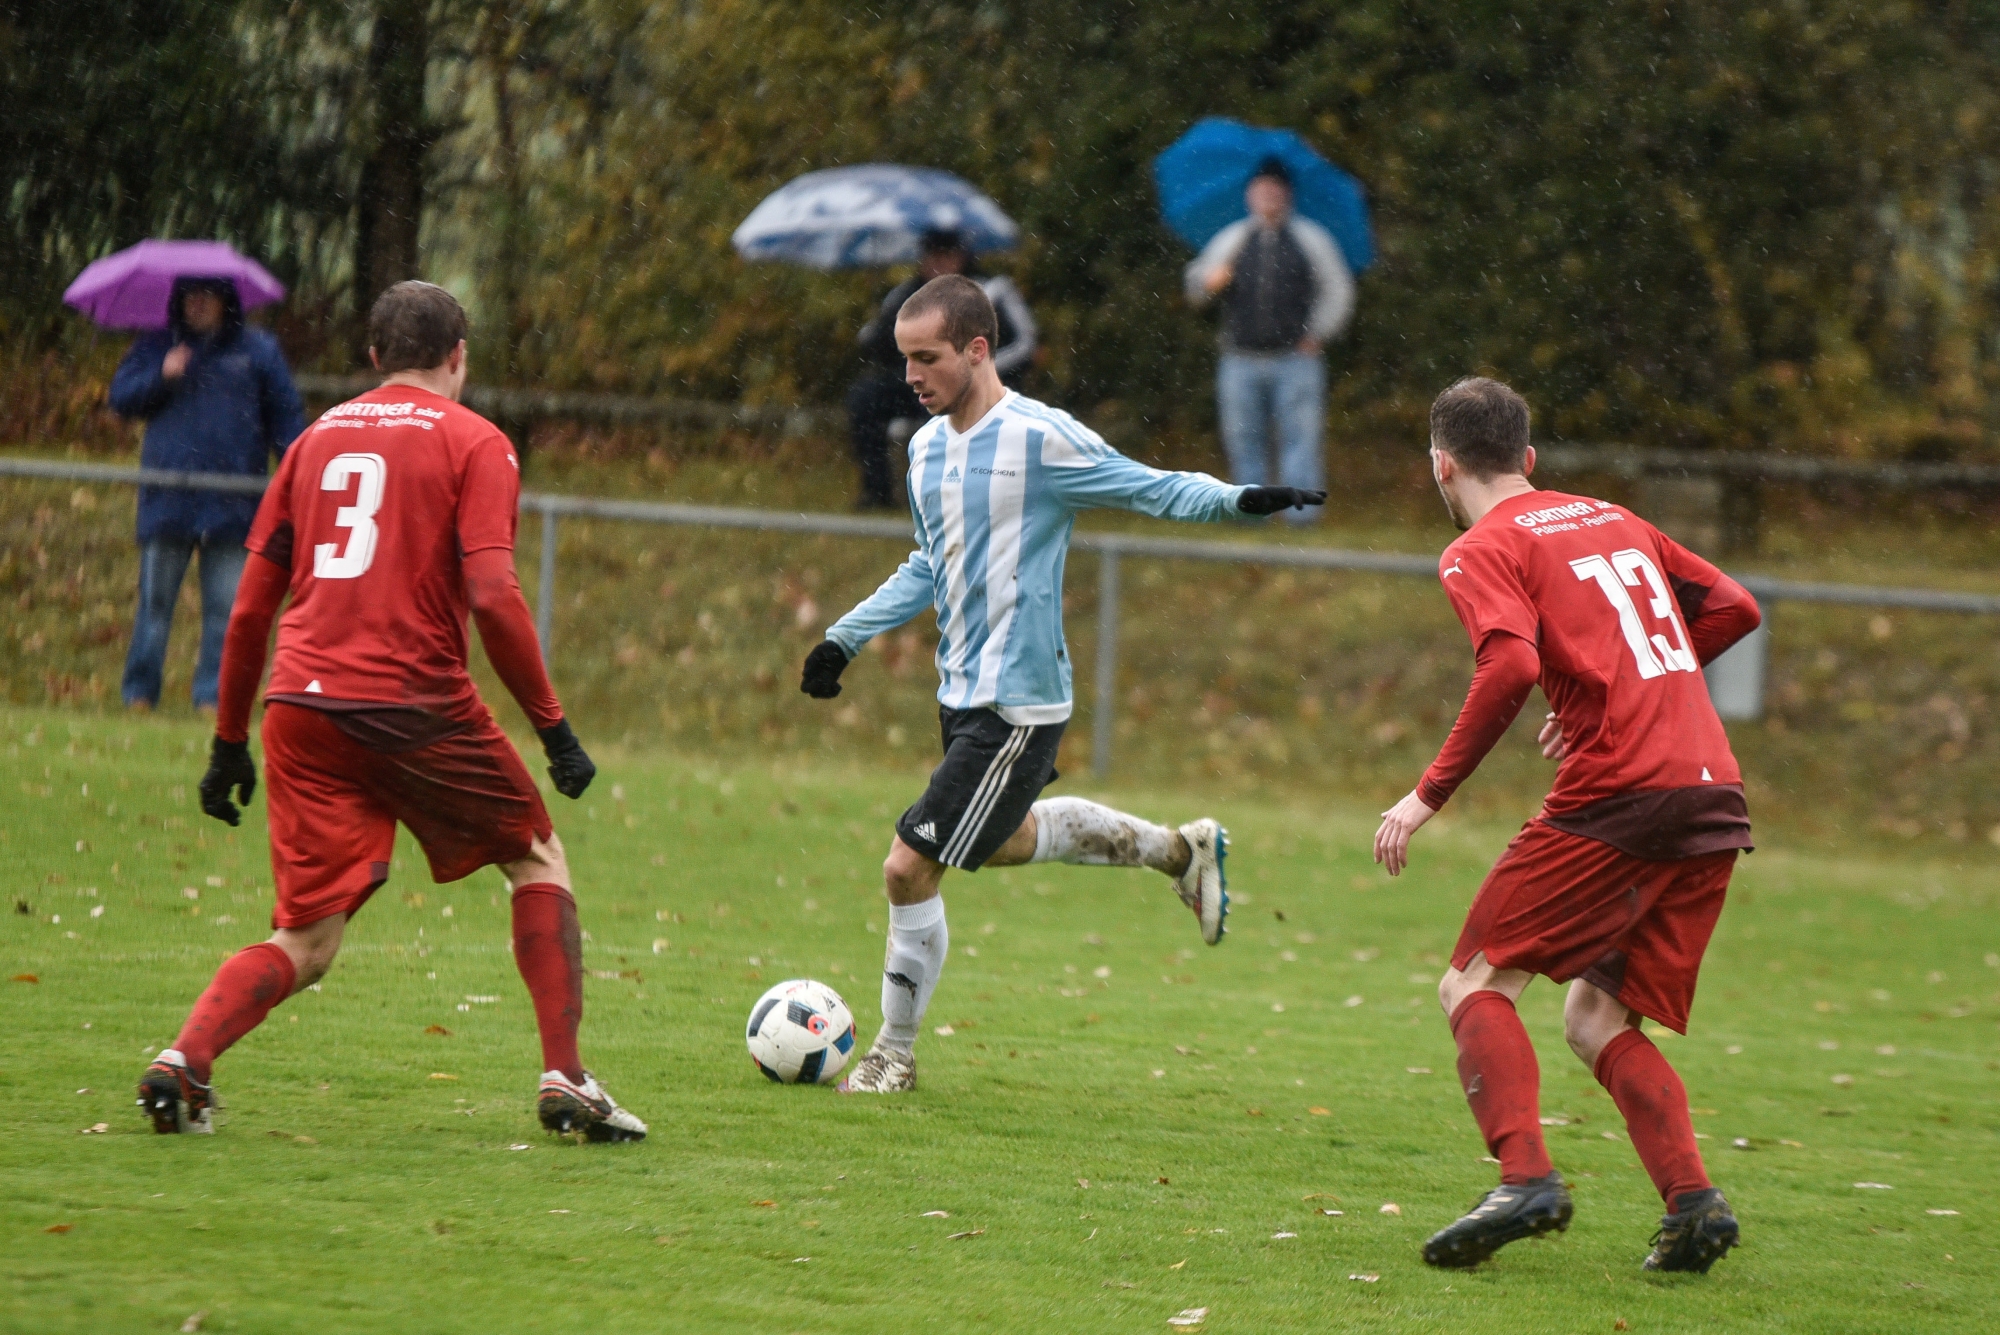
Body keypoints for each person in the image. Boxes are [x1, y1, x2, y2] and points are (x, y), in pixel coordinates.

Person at [138, 281, 645, 1144]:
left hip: (300, 704)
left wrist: (228, 743)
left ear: (373, 358)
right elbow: (491, 591)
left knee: (306, 936)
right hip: (412, 698)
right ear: (460, 356)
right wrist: (553, 727)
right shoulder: (476, 440)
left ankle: (184, 1060)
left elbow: (252, 608)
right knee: (537, 857)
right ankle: (566, 1075)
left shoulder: (311, 443)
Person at [800, 274, 1325, 1094]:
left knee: (909, 866)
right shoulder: (926, 447)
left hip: (1017, 704)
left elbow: (1152, 487)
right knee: (999, 840)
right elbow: (929, 563)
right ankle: (1179, 851)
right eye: (905, 359)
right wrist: (844, 638)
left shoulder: (1041, 439)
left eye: (927, 358)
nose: (911, 376)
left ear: (978, 349)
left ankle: (892, 1056)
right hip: (962, 696)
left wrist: (1243, 500)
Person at [1372, 377, 1762, 1273]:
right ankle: (1694, 1204)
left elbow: (1508, 665)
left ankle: (1525, 1178)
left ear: (1441, 464)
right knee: (1595, 1016)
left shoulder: (1478, 546)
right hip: (1711, 794)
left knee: (1472, 983)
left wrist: (1425, 795)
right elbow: (1734, 605)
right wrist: (1628, 677)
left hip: (1621, 793)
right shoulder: (1612, 517)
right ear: (1531, 459)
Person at [109, 276, 305, 711]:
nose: (196, 303)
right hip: (167, 502)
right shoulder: (156, 345)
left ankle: (213, 701)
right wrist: (161, 375)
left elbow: (287, 421)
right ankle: (138, 696)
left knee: (226, 612)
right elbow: (121, 398)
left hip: (233, 505)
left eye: (206, 294)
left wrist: (303, 478)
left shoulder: (259, 352)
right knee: (155, 607)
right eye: (188, 295)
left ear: (225, 300)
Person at [1183, 158, 1353, 522]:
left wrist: (1318, 333)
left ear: (1288, 195)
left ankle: (1301, 519)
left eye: (1275, 190)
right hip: (1239, 359)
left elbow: (1338, 288)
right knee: (1244, 441)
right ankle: (1251, 515)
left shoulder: (1311, 239)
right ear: (1250, 195)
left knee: (1300, 442)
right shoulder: (1232, 239)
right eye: (1262, 190)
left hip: (1296, 359)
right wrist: (1208, 282)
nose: (1268, 197)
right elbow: (1195, 287)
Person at [847, 229, 1037, 510]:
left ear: (963, 258)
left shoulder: (993, 290)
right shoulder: (904, 295)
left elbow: (1025, 343)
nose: (939, 265)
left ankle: (966, 498)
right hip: (917, 387)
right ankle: (878, 492)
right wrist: (878, 333)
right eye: (932, 256)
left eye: (947, 256)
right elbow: (875, 342)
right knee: (864, 399)